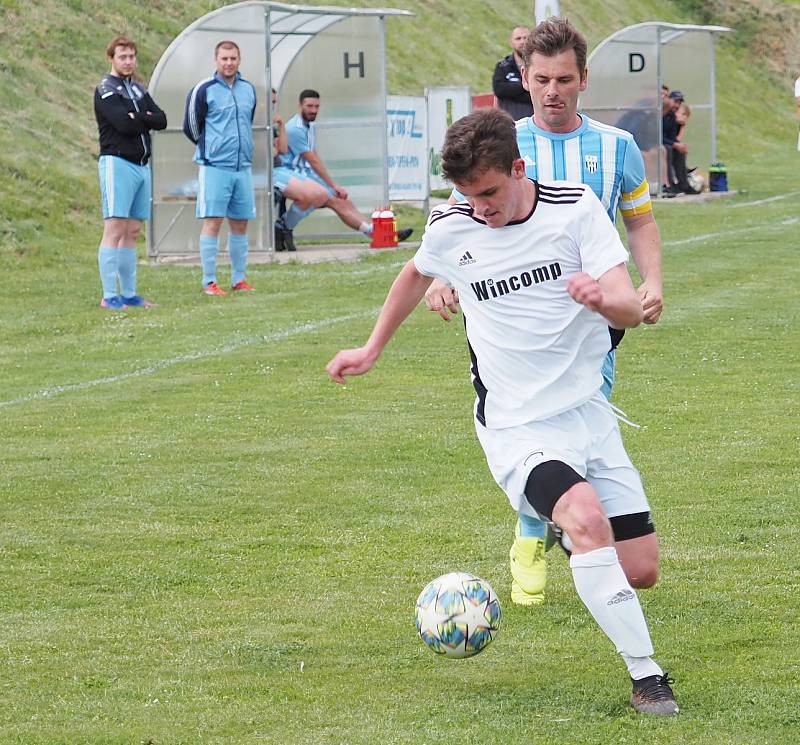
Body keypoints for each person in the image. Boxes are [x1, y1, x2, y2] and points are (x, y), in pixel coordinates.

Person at [326, 108, 679, 716]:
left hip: (589, 415)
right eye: (467, 196)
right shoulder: (455, 225)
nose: (480, 208)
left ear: (519, 169)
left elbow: (629, 309)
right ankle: (647, 677)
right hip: (516, 427)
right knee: (588, 518)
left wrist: (604, 302)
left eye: (488, 193)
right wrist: (371, 347)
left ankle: (564, 535)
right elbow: (415, 272)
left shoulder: (574, 212)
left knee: (639, 569)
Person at [426, 17, 663, 607]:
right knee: (540, 433)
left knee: (582, 431)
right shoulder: (499, 146)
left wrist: (650, 281)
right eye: (541, 79)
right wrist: (438, 282)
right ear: (524, 81)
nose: (552, 89)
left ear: (583, 80)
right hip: (511, 321)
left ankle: (576, 530)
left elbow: (638, 220)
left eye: (563, 79)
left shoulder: (617, 147)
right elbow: (454, 227)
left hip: (594, 314)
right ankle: (537, 531)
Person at [275, 89, 413, 251]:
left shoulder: (309, 126)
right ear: (300, 106)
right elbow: (313, 161)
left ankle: (378, 232)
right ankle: (284, 225)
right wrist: (333, 185)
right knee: (333, 199)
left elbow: (315, 155)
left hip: (303, 174)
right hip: (291, 174)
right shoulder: (295, 128)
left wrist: (333, 186)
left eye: (317, 106)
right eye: (309, 106)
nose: (313, 110)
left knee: (343, 200)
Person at [94, 35, 166, 309]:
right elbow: (123, 125)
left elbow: (161, 119)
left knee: (133, 230)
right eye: (122, 56)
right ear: (111, 58)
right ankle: (109, 295)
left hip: (141, 166)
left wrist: (141, 118)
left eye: (131, 56)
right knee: (115, 228)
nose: (128, 61)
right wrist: (141, 119)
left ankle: (130, 293)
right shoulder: (106, 90)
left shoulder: (137, 90)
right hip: (118, 163)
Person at [183, 40, 257, 296]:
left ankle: (239, 279)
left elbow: (247, 122)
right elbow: (191, 126)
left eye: (233, 58)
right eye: (224, 58)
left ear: (239, 60)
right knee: (213, 222)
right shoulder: (203, 89)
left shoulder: (248, 89)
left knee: (240, 223)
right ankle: (209, 281)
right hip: (215, 166)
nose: (229, 63)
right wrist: (212, 148)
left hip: (242, 167)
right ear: (216, 60)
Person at [270, 88, 329, 252]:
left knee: (324, 194)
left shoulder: (275, 124)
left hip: (279, 169)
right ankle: (283, 228)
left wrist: (280, 124)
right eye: (270, 102)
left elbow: (280, 150)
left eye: (274, 102)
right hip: (270, 172)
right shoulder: (252, 120)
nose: (272, 106)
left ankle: (284, 226)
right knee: (327, 195)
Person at [661, 90, 699, 195]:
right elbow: (657, 136)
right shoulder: (659, 114)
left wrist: (679, 145)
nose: (677, 105)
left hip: (666, 143)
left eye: (679, 103)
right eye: (675, 101)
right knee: (667, 149)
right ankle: (669, 184)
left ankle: (684, 184)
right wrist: (675, 144)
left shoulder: (671, 116)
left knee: (679, 150)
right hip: (654, 144)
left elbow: (672, 137)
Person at [492, 26, 533, 120]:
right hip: (509, 124)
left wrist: (512, 91)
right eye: (518, 38)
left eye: (526, 38)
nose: (522, 42)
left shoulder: (539, 66)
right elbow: (499, 90)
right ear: (511, 42)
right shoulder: (502, 66)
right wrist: (526, 87)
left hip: (534, 124)